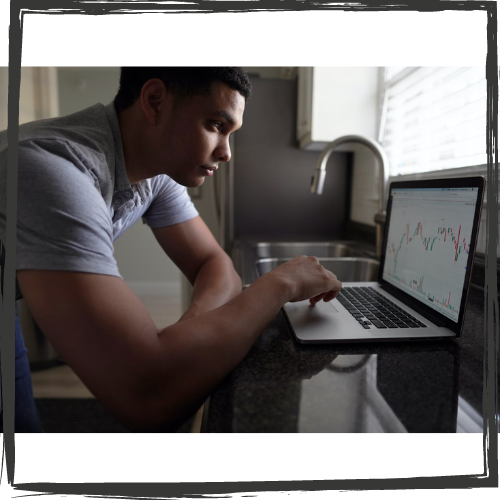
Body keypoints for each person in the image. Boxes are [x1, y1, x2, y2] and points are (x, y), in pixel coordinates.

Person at [0, 67, 342, 432]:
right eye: (215, 125)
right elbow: (148, 396)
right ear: (155, 101)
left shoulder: (157, 173)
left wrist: (186, 337)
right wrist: (280, 285)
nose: (226, 153)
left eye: (230, 133)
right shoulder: (50, 168)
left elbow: (215, 264)